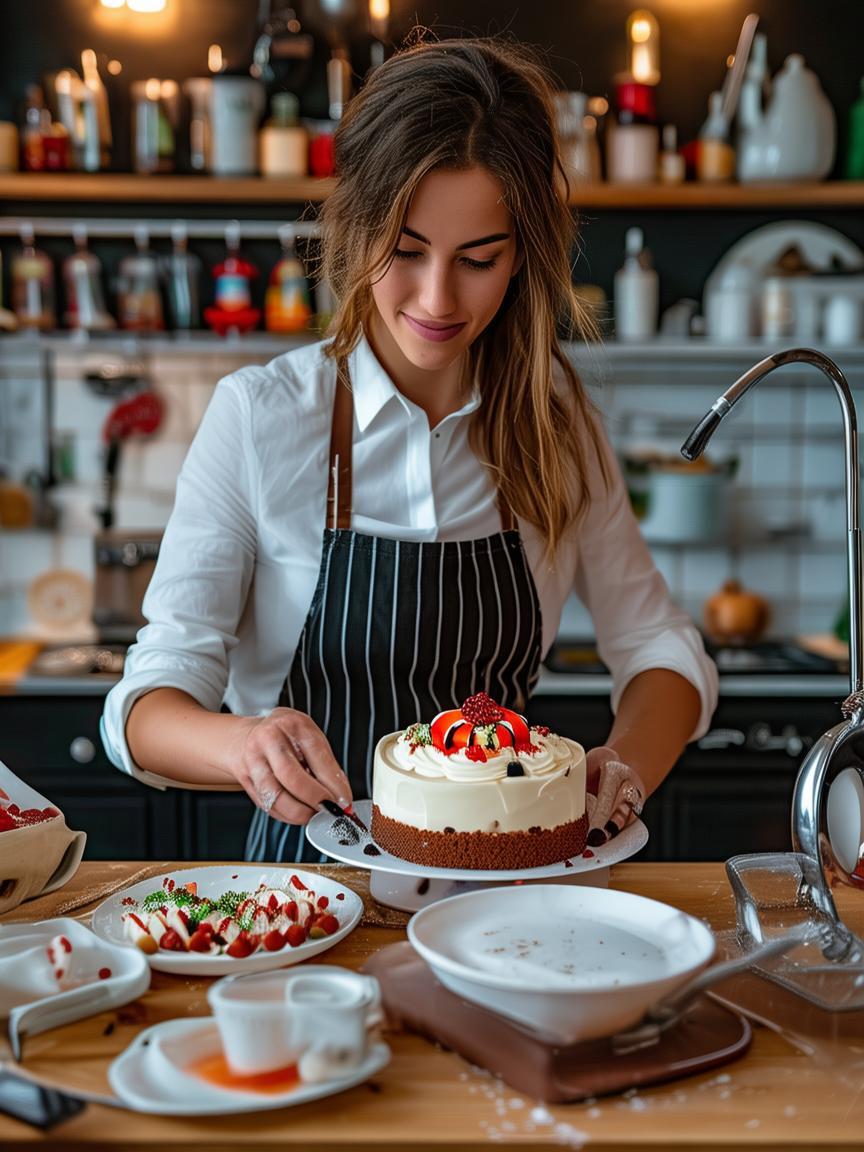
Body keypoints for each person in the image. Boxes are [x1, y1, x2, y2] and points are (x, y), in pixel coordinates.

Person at [101, 35, 718, 862]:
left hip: (504, 893)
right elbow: (143, 705)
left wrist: (627, 771)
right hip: (311, 896)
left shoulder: (555, 418)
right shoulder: (261, 417)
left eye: (478, 259)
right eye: (406, 249)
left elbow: (658, 648)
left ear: (522, 256)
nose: (437, 299)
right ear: (356, 229)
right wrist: (242, 745)